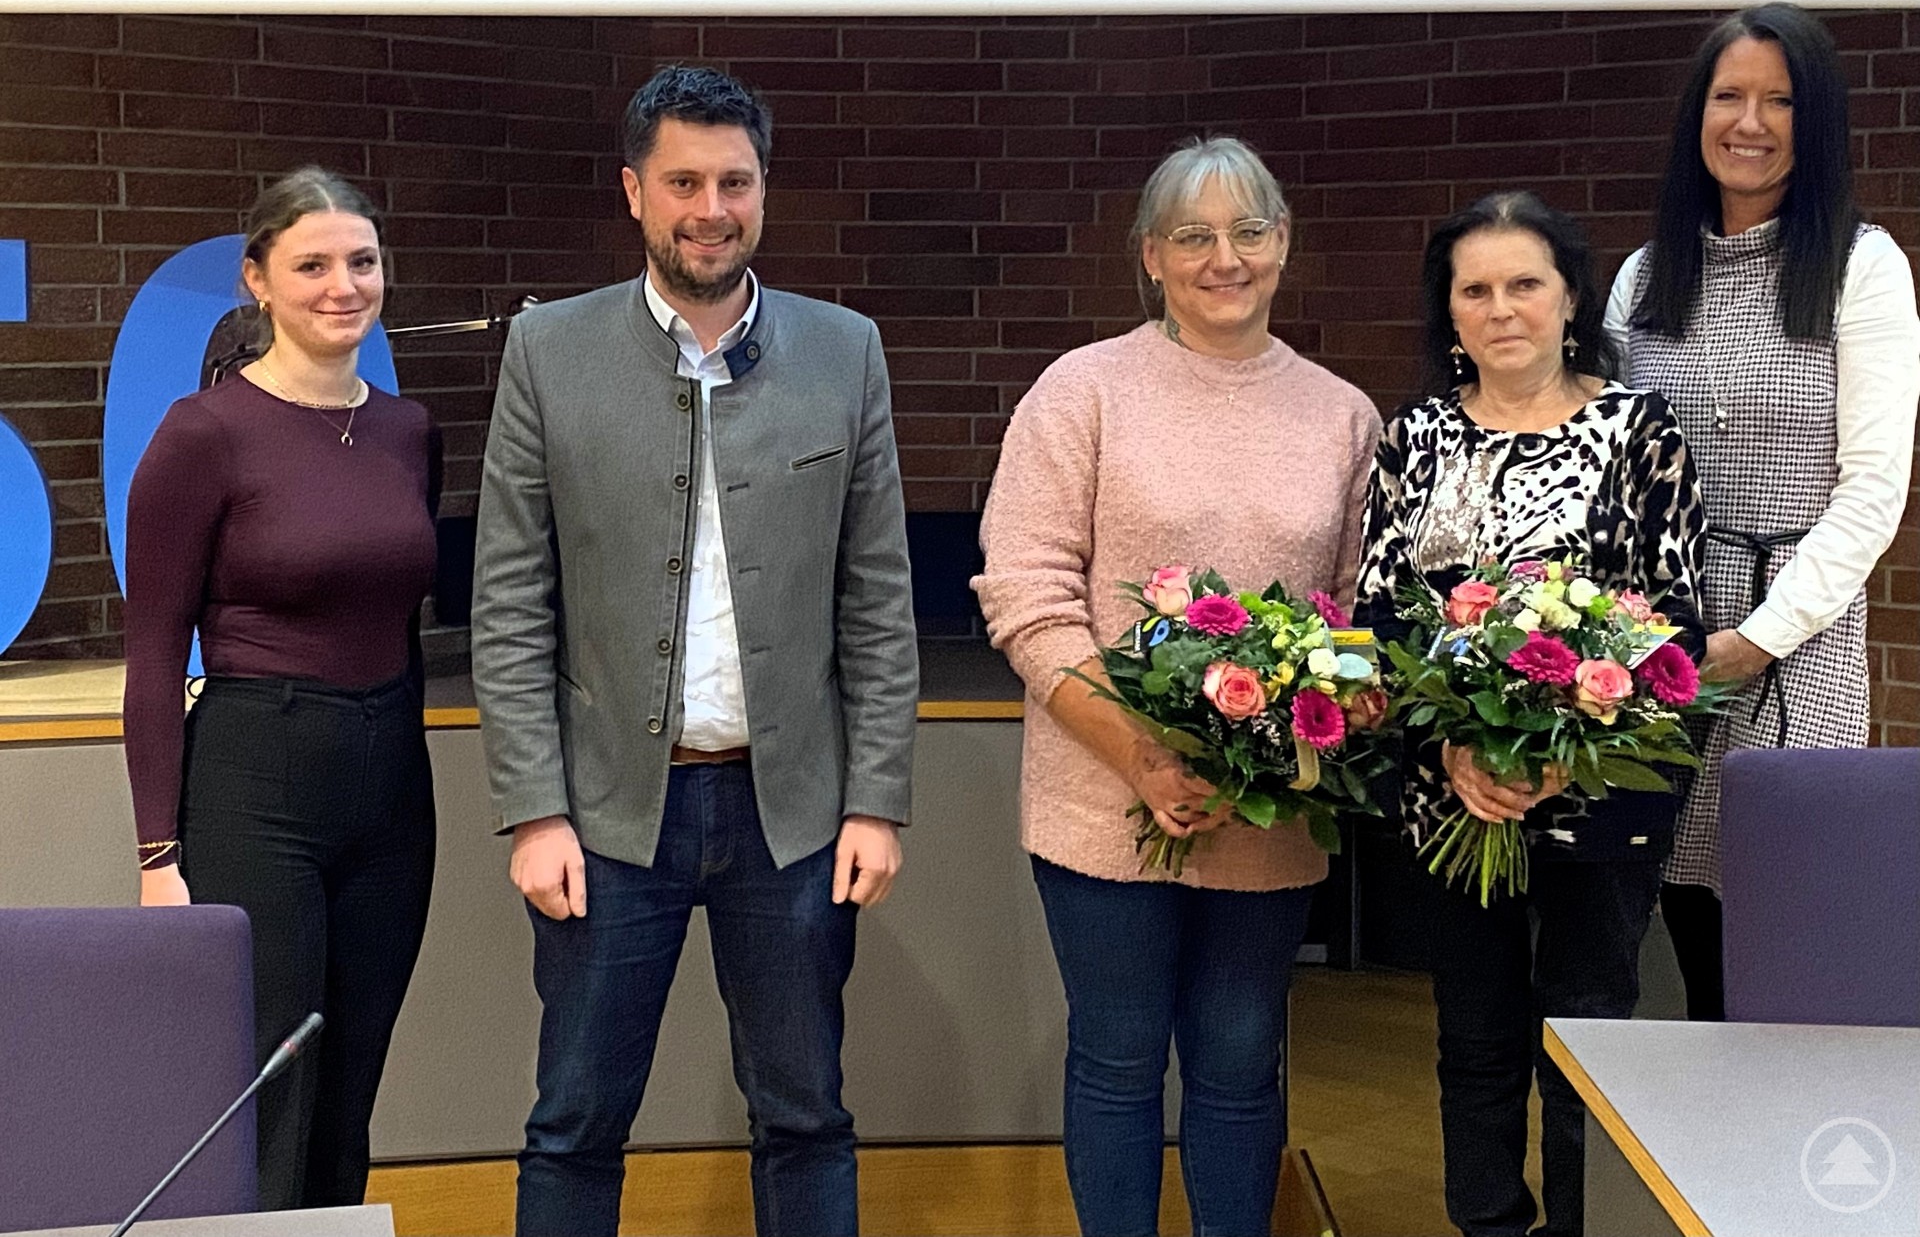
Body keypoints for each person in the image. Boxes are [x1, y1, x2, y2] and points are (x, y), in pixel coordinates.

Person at [471, 64, 917, 1237]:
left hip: (795, 816)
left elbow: (878, 598)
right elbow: (510, 598)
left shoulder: (847, 349)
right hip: (607, 818)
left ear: (764, 189)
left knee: (807, 1114)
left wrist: (876, 799)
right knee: (573, 1122)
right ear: (633, 190)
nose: (709, 206)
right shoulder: (547, 352)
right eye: (682, 180)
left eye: (734, 180)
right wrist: (532, 809)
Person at [972, 136, 1381, 1237]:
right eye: (1193, 236)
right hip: (1100, 796)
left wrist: (1304, 723)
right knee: (1115, 1054)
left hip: (1268, 804)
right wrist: (1144, 754)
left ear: (1284, 242)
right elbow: (1025, 592)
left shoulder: (1343, 415)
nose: (1224, 257)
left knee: (1243, 1058)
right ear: (1150, 255)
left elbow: (1354, 611)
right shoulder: (1082, 390)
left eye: (1249, 230)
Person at [1354, 192, 1708, 1237]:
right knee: (1473, 1038)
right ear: (1450, 313)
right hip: (1453, 800)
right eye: (1476, 289)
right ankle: (1489, 1224)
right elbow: (1382, 617)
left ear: (1570, 299)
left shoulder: (1639, 429)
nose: (1501, 307)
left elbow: (1671, 626)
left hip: (1597, 796)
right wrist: (1458, 744)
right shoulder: (1413, 437)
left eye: (1525, 283)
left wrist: (1562, 749)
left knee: (1588, 1035)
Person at [123, 167, 441, 1209]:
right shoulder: (201, 433)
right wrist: (158, 853)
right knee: (271, 1085)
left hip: (392, 783)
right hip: (256, 782)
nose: (341, 285)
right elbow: (157, 649)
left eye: (361, 261)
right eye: (311, 264)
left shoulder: (407, 430)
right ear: (258, 279)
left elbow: (403, 617)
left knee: (353, 1085)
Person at [1605, 3, 1920, 1024]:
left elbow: (1872, 488)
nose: (1751, 120)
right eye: (1729, 94)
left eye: (1780, 99)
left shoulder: (1861, 266)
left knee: (1788, 961)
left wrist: (1761, 634)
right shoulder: (1645, 276)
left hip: (1797, 644)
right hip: (1660, 649)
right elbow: (1598, 458)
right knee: (1687, 941)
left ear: (1816, 120)